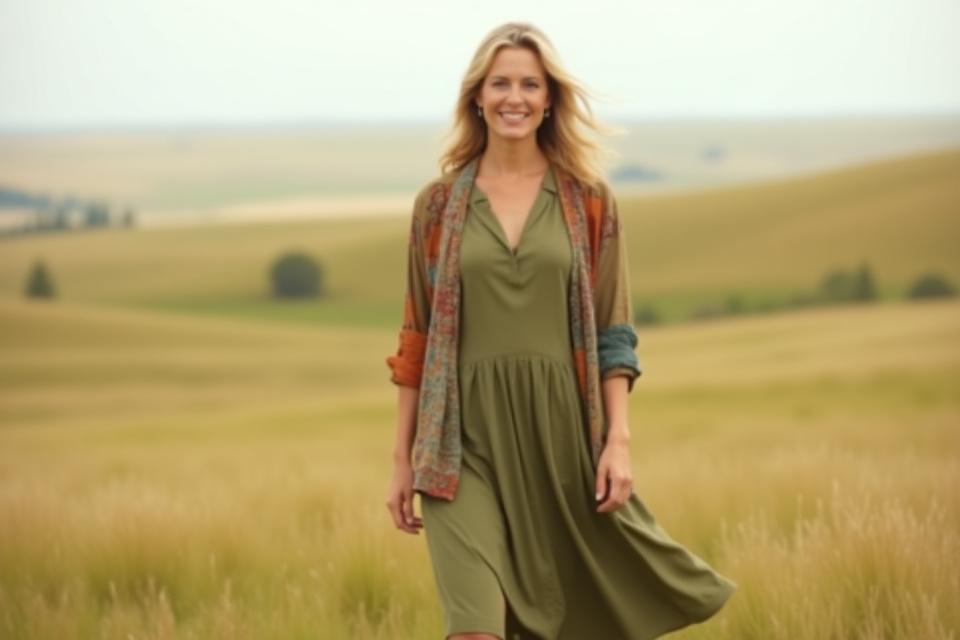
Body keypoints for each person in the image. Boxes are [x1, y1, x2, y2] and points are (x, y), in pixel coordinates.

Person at [385, 21, 737, 640]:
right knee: (474, 629)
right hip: (458, 443)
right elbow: (415, 338)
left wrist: (618, 440)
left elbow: (614, 333)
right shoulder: (437, 206)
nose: (514, 97)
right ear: (477, 96)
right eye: (500, 83)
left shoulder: (589, 201)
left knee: (565, 615)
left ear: (549, 99)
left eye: (530, 84)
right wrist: (401, 458)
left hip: (562, 440)